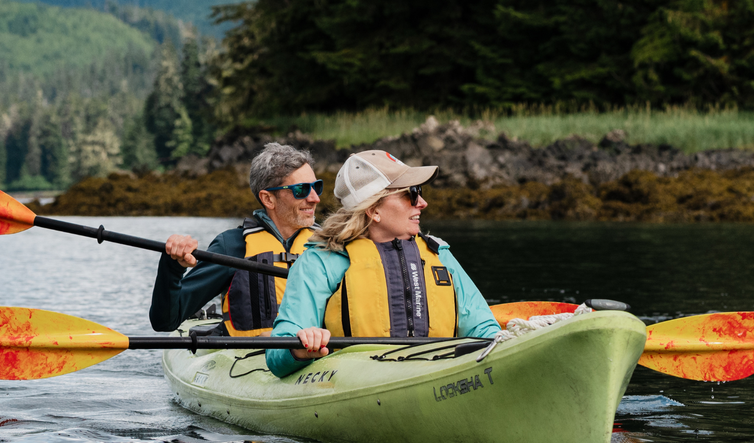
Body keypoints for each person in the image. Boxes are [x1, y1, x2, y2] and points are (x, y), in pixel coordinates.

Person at [266, 150, 501, 377]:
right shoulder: (321, 262)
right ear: (373, 209)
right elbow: (277, 354)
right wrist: (301, 346)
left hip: (437, 374)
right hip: (357, 384)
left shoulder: (439, 254)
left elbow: (482, 327)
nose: (422, 202)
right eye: (411, 194)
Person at [149, 143, 322, 335]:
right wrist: (172, 266)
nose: (315, 198)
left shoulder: (330, 245)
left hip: (321, 350)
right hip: (251, 351)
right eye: (301, 190)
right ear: (268, 199)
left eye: (316, 187)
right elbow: (165, 322)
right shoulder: (232, 247)